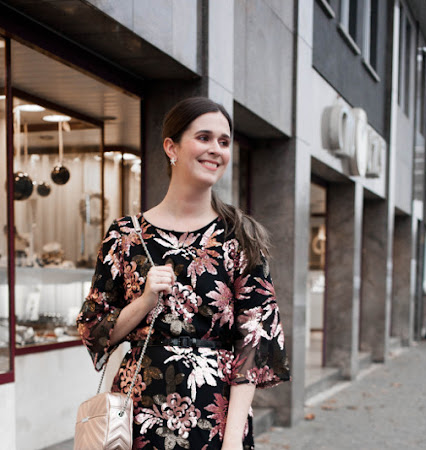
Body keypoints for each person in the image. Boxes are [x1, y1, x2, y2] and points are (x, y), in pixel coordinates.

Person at [77, 97, 290, 449]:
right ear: (171, 147)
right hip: (137, 416)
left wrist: (233, 440)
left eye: (224, 141)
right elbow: (94, 331)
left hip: (215, 418)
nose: (216, 150)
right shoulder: (125, 236)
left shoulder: (240, 236)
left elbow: (255, 341)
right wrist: (145, 300)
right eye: (204, 137)